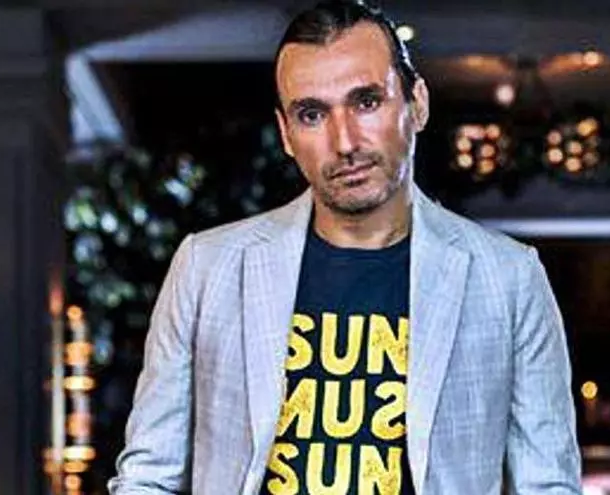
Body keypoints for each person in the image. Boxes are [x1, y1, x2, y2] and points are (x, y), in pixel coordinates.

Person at [108, 1, 582, 493]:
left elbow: (547, 485)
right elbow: (148, 477)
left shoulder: (509, 279)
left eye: (366, 102)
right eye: (312, 114)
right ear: (286, 134)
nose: (345, 142)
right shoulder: (207, 268)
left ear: (417, 104)